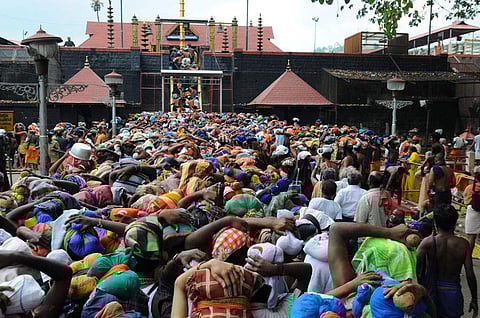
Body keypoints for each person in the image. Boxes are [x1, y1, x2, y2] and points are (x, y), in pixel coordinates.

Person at [417, 204, 478, 318]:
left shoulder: (428, 242)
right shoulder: (463, 244)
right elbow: (470, 274)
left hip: (431, 290)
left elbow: (414, 264)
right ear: (454, 223)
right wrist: (474, 298)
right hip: (453, 291)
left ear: (435, 223)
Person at [463, 166, 480, 255]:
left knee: (471, 237)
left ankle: (468, 256)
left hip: (473, 211)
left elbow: (465, 200)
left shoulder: (470, 187)